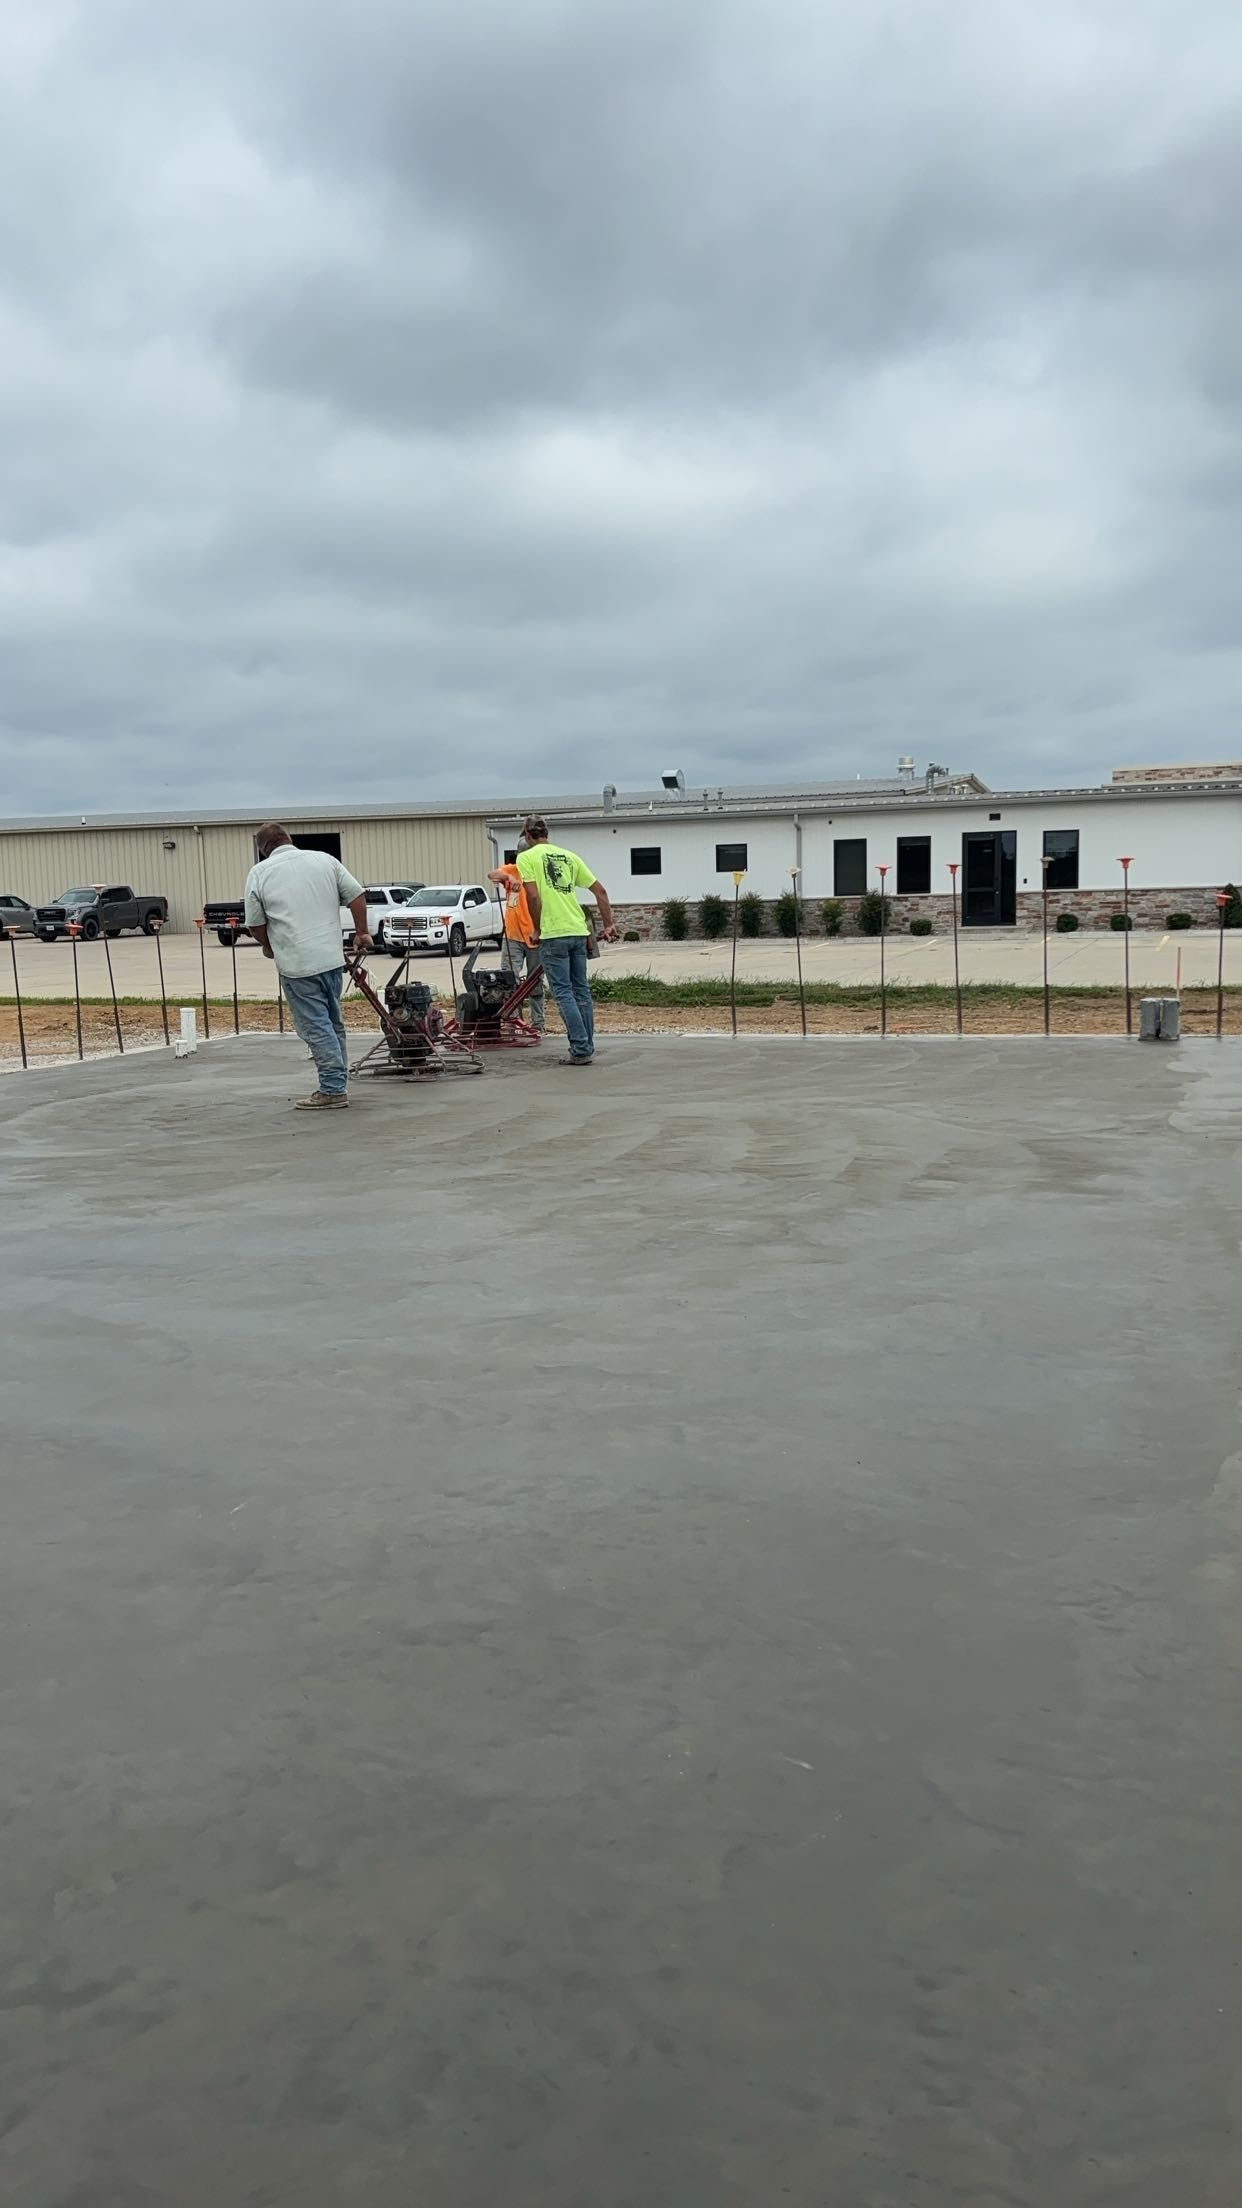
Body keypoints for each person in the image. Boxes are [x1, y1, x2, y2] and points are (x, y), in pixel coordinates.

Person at [244, 824, 372, 1110]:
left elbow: (255, 923)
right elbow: (356, 895)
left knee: (315, 1025)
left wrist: (269, 945)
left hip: (297, 963)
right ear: (289, 839)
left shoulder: (261, 873)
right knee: (331, 1020)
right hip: (330, 959)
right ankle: (338, 1081)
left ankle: (332, 1089)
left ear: (263, 849)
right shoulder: (324, 860)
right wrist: (362, 932)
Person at [514, 816, 616, 1065]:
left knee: (563, 992)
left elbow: (533, 896)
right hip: (577, 931)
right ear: (547, 833)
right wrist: (609, 924)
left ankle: (580, 1049)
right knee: (581, 990)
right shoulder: (570, 857)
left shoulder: (526, 857)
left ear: (527, 836)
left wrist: (537, 928)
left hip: (554, 933)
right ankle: (586, 1046)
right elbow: (600, 891)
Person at [487, 836, 545, 1031]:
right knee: (507, 979)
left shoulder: (540, 873)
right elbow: (493, 874)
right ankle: (511, 1020)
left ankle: (538, 1023)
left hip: (536, 935)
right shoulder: (512, 870)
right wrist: (509, 878)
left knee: (534, 982)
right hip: (512, 935)